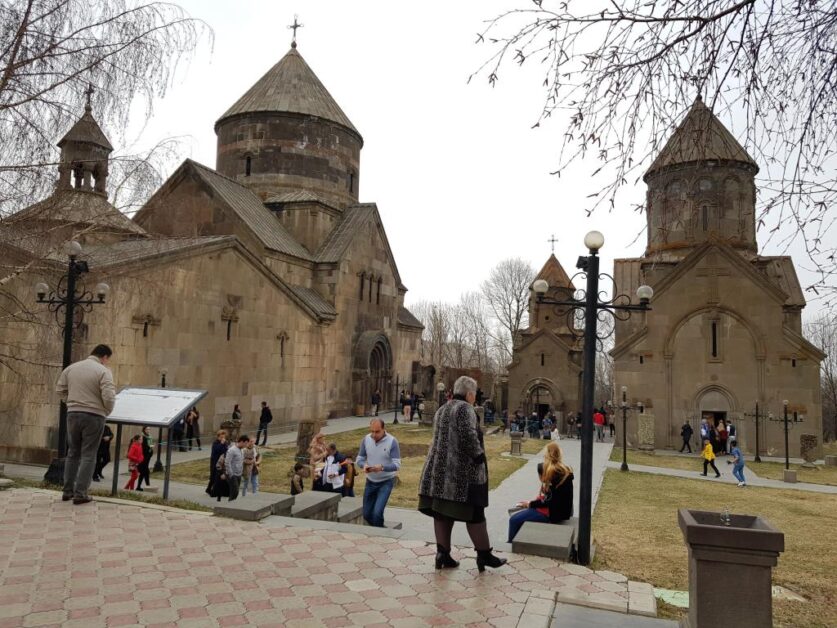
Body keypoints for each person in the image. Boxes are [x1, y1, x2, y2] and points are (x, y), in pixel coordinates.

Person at [418, 376, 507, 573]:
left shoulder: (443, 408)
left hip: (438, 473)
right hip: (461, 477)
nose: (475, 398)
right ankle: (484, 555)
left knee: (442, 512)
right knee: (475, 514)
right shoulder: (466, 409)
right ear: (469, 394)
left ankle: (443, 554)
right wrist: (479, 457)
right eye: (474, 394)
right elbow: (468, 436)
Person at [56, 344, 116, 505]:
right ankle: (80, 493)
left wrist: (70, 402)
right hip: (94, 415)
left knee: (72, 452)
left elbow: (60, 389)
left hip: (73, 413)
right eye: (107, 359)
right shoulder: (103, 371)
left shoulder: (71, 368)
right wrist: (106, 410)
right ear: (104, 357)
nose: (106, 362)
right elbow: (109, 396)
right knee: (89, 454)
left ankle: (67, 491)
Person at [508, 442, 574, 541]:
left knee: (514, 520)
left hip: (554, 513)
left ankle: (511, 545)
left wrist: (530, 504)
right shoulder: (563, 470)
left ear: (547, 456)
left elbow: (549, 501)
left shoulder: (553, 473)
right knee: (520, 513)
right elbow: (554, 497)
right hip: (562, 510)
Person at [357, 418, 401, 527]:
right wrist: (364, 465)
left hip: (386, 482)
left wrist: (382, 467)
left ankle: (380, 534)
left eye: (377, 431)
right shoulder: (366, 439)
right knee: (366, 514)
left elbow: (397, 465)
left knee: (377, 513)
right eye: (372, 431)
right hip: (370, 481)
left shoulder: (392, 441)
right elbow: (359, 459)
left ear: (383, 429)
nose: (374, 434)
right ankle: (381, 530)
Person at [224, 434, 248, 501]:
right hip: (232, 474)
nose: (246, 445)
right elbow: (227, 462)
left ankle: (231, 503)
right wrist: (231, 474)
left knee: (235, 492)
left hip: (239, 474)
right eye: (245, 443)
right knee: (235, 490)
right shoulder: (232, 450)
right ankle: (230, 504)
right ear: (242, 442)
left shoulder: (242, 450)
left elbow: (241, 461)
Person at [207, 430, 229, 498]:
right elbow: (216, 450)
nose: (222, 438)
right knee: (213, 476)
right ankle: (209, 489)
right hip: (215, 461)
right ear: (218, 437)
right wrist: (221, 444)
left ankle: (217, 490)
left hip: (222, 461)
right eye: (221, 437)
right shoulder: (215, 443)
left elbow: (225, 450)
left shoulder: (225, 443)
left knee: (219, 475)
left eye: (223, 437)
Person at [136, 426, 153, 491]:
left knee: (145, 472)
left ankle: (145, 486)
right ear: (144, 430)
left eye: (149, 429)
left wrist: (151, 451)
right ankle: (144, 486)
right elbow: (143, 448)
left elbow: (151, 447)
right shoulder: (142, 437)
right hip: (143, 457)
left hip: (148, 457)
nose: (148, 430)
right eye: (147, 429)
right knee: (145, 472)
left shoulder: (150, 437)